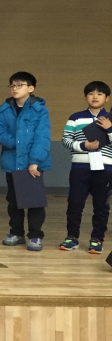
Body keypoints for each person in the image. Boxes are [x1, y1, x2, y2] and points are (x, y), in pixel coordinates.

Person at [0, 71, 52, 252]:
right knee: (14, 201)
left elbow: (42, 137)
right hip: (12, 162)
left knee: (34, 202)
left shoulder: (40, 110)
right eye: (12, 85)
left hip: (33, 162)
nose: (15, 88)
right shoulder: (3, 110)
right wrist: (17, 143)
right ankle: (16, 233)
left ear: (31, 88)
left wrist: (34, 161)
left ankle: (35, 235)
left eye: (20, 85)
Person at [59, 80, 112, 254]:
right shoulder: (76, 117)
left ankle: (97, 239)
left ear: (107, 98)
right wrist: (83, 146)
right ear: (85, 97)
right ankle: (71, 237)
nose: (95, 96)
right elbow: (66, 140)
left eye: (99, 94)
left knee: (101, 206)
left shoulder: (110, 119)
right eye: (90, 93)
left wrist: (110, 129)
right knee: (75, 203)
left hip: (105, 168)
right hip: (80, 167)